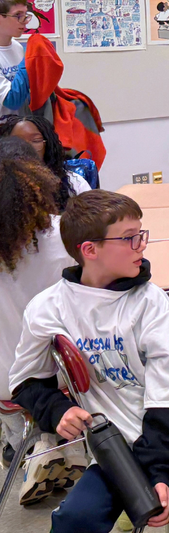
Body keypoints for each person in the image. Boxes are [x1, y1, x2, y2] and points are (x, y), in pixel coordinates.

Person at [9, 191, 169, 533]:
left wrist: (159, 474)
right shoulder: (48, 307)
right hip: (117, 441)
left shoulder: (150, 301)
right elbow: (24, 381)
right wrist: (57, 409)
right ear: (91, 250)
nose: (142, 246)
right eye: (130, 238)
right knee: (73, 519)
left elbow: (167, 396)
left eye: (141, 234)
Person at [0, 143, 79, 500]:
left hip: (5, 383)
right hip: (66, 376)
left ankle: (30, 445)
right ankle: (51, 444)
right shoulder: (68, 237)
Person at [0, 114, 91, 209]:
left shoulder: (74, 183)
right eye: (17, 141)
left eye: (35, 140)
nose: (26, 147)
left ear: (47, 146)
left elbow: (92, 220)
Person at [0, 0, 31, 117]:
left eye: (25, 14)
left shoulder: (18, 47)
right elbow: (12, 100)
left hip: (18, 128)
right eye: (18, 15)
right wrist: (31, 57)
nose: (25, 21)